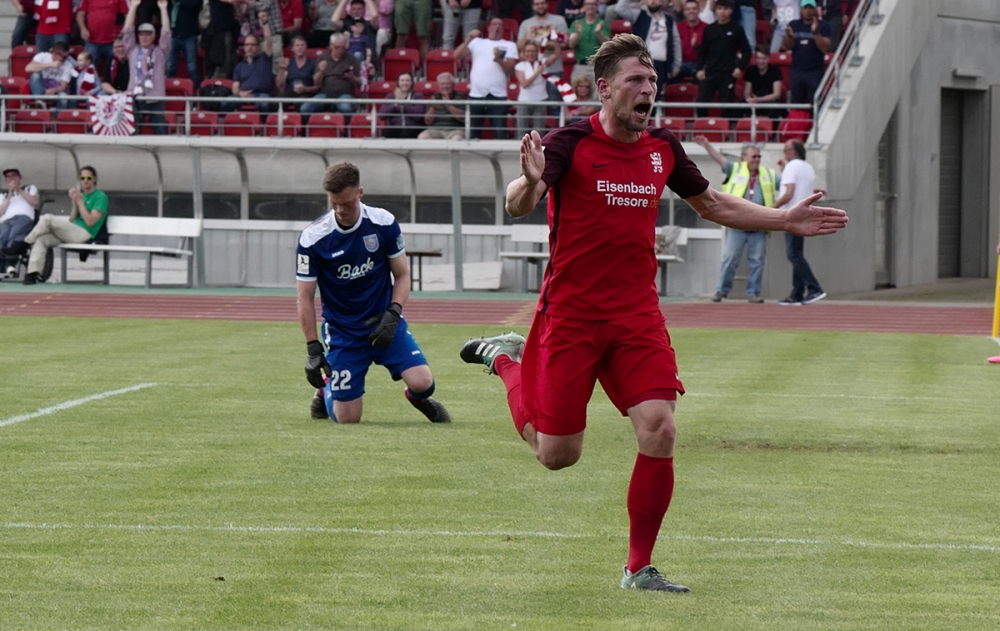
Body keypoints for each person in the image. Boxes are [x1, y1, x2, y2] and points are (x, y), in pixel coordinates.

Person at [459, 34, 847, 592]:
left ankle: (638, 568)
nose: (648, 90)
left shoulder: (663, 147)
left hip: (636, 316)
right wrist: (530, 179)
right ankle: (506, 362)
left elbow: (711, 203)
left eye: (653, 81)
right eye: (636, 81)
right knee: (556, 454)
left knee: (660, 428)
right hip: (571, 316)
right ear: (605, 89)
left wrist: (782, 219)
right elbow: (519, 202)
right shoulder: (569, 143)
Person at [296, 162, 451, 425]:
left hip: (384, 323)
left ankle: (417, 398)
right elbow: (305, 297)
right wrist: (313, 348)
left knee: (424, 383)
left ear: (360, 193)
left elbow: (402, 275)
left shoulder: (383, 223)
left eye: (346, 203)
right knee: (347, 419)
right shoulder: (313, 238)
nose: (340, 210)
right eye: (334, 203)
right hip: (344, 332)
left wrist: (394, 313)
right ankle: (325, 389)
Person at [695, 135, 778, 303]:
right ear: (744, 157)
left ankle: (753, 293)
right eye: (754, 156)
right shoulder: (734, 169)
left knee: (757, 261)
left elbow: (787, 184)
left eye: (759, 156)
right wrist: (707, 146)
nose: (757, 159)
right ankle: (721, 290)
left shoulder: (768, 174)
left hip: (759, 224)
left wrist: (812, 188)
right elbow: (719, 159)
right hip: (736, 223)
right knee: (730, 258)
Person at [3, 166, 109, 286]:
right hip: (73, 232)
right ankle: (33, 273)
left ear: (94, 179)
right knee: (41, 239)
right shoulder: (81, 195)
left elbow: (90, 222)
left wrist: (80, 202)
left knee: (47, 218)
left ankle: (24, 243)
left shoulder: (100, 196)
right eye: (82, 178)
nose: (85, 180)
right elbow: (72, 220)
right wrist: (75, 203)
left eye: (89, 178)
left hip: (86, 235)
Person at [774, 139, 827, 305]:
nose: (784, 153)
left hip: (792, 214)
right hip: (804, 214)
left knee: (793, 254)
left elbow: (789, 193)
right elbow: (803, 188)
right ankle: (797, 293)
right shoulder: (807, 167)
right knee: (797, 253)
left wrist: (772, 208)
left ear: (793, 151)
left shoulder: (791, 167)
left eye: (785, 150)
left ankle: (814, 288)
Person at [453, 19, 519, 139]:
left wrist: (499, 59)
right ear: (488, 28)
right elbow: (457, 55)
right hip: (476, 94)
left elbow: (510, 70)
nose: (497, 27)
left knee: (500, 133)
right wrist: (469, 38)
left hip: (497, 95)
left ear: (503, 29)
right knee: (474, 133)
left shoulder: (510, 45)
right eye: (494, 24)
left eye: (500, 25)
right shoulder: (477, 42)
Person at [122, 0, 171, 135]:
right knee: (133, 133)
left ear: (154, 36)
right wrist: (133, 7)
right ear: (138, 36)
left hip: (155, 97)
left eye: (148, 34)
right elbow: (127, 31)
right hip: (135, 96)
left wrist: (163, 9)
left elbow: (166, 33)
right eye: (142, 34)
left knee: (160, 132)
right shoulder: (132, 50)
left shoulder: (161, 52)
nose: (144, 37)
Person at [615, 0, 681, 99]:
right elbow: (619, 9)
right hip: (640, 63)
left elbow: (676, 42)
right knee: (638, 96)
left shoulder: (669, 20)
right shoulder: (639, 15)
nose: (653, 1)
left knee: (655, 97)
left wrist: (676, 65)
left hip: (661, 66)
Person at [695, 0, 750, 117]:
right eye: (719, 8)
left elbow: (747, 51)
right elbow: (703, 51)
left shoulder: (737, 29)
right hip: (710, 72)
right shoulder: (709, 29)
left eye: (725, 9)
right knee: (701, 104)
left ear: (731, 10)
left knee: (727, 107)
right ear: (715, 10)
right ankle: (702, 126)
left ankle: (727, 129)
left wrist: (740, 67)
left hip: (728, 74)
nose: (722, 12)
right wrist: (699, 69)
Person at [782, 0, 830, 104]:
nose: (808, 11)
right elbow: (788, 46)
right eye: (806, 8)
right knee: (797, 105)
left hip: (815, 73)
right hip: (796, 72)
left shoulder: (823, 26)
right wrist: (789, 36)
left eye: (811, 8)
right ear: (801, 9)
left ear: (815, 9)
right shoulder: (794, 24)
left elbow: (824, 48)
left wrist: (816, 33)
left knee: (816, 105)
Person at [301, 33, 361, 115]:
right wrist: (321, 71)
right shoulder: (322, 58)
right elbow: (317, 83)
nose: (340, 50)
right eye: (337, 47)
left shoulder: (351, 59)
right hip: (325, 93)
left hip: (345, 93)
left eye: (342, 48)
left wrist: (352, 77)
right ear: (331, 45)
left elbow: (359, 83)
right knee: (305, 108)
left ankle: (347, 124)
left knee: (345, 108)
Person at [229, 12, 276, 111]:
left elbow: (268, 40)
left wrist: (265, 23)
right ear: (244, 47)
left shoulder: (265, 58)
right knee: (226, 102)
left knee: (264, 103)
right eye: (247, 45)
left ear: (258, 47)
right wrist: (241, 94)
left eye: (253, 45)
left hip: (262, 95)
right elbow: (235, 88)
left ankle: (263, 122)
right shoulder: (239, 66)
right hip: (243, 95)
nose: (250, 47)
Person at [0, 168, 39, 278]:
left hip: (24, 218)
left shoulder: (29, 188)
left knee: (14, 234)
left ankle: (10, 263)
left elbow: (35, 202)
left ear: (19, 177)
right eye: (8, 177)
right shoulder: (3, 195)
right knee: (2, 236)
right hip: (7, 220)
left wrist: (18, 189)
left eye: (13, 175)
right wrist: (10, 194)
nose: (11, 178)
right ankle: (3, 266)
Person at [517, 0, 569, 79]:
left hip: (554, 69)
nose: (540, 6)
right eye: (537, 4)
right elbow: (519, 46)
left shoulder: (559, 20)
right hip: (533, 70)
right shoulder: (526, 23)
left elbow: (565, 44)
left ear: (547, 4)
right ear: (532, 6)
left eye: (542, 3)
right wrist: (527, 39)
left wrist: (541, 44)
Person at [76, 0, 130, 72]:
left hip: (113, 41)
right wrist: (83, 29)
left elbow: (128, 15)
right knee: (86, 69)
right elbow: (80, 14)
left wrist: (124, 31)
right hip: (92, 40)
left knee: (118, 68)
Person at [566, 0, 609, 82]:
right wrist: (578, 33)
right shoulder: (576, 23)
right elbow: (571, 45)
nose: (590, 6)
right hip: (580, 65)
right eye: (588, 4)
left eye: (593, 4)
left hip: (597, 66)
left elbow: (607, 44)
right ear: (584, 6)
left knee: (598, 90)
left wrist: (599, 33)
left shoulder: (603, 23)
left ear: (597, 6)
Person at [514, 41, 549, 137]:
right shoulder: (520, 66)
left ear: (537, 52)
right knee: (522, 132)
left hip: (540, 100)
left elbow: (556, 56)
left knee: (539, 132)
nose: (530, 53)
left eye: (533, 51)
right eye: (528, 51)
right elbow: (524, 84)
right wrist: (537, 73)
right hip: (524, 101)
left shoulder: (542, 64)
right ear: (524, 53)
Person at [417, 72, 467, 139]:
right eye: (442, 84)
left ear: (453, 84)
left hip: (455, 130)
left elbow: (463, 118)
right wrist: (434, 107)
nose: (445, 86)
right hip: (436, 129)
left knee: (457, 138)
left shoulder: (460, 96)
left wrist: (448, 105)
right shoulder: (434, 97)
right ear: (438, 85)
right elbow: (428, 122)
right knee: (423, 136)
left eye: (448, 84)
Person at [26, 41, 75, 109]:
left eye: (67, 56)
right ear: (55, 54)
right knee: (35, 74)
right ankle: (40, 101)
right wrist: (49, 65)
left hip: (56, 88)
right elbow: (28, 68)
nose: (65, 59)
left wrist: (54, 90)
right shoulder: (42, 56)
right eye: (63, 57)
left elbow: (63, 87)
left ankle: (57, 116)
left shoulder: (68, 65)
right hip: (41, 87)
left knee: (63, 98)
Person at [377, 71, 426, 138]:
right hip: (395, 127)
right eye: (402, 80)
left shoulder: (418, 96)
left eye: (407, 80)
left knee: (406, 133)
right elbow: (382, 115)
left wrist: (403, 102)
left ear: (412, 82)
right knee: (386, 133)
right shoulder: (391, 96)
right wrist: (395, 104)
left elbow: (418, 115)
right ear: (398, 82)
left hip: (413, 128)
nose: (405, 83)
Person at [166, 0, 202, 85]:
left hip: (190, 34)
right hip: (174, 34)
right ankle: (170, 89)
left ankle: (196, 91)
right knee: (170, 66)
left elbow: (193, 4)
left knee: (192, 67)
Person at [743, 44, 784, 119]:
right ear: (755, 59)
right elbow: (746, 93)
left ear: (769, 59)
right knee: (740, 107)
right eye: (758, 58)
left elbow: (777, 94)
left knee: (774, 108)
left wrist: (758, 100)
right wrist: (751, 100)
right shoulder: (750, 71)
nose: (761, 61)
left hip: (771, 101)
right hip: (755, 100)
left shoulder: (775, 70)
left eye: (764, 58)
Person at [674, 0, 705, 82]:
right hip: (682, 64)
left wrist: (697, 46)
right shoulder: (677, 27)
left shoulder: (707, 27)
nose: (691, 11)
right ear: (684, 12)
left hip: (700, 65)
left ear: (699, 10)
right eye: (688, 9)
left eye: (694, 8)